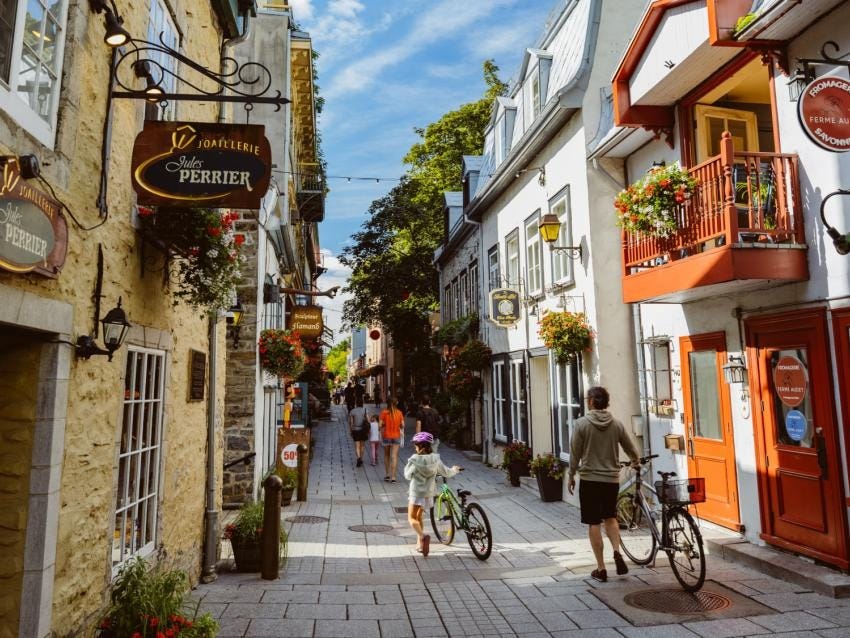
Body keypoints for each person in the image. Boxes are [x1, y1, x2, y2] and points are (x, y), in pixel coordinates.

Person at [568, 386, 640, 583]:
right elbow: (629, 446)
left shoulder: (581, 424)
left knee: (593, 522)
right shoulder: (616, 424)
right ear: (606, 402)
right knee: (610, 517)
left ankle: (601, 568)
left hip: (590, 480)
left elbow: (575, 452)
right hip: (611, 480)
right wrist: (635, 461)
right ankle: (617, 552)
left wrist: (571, 474)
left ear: (591, 401)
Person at [403, 431, 461, 556]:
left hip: (416, 492)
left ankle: (423, 536)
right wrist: (455, 470)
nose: (414, 446)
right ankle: (420, 544)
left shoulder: (414, 459)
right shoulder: (435, 459)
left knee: (411, 518)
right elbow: (446, 472)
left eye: (415, 444)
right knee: (419, 517)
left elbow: (407, 475)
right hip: (429, 493)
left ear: (419, 446)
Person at [380, 396, 404, 482]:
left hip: (386, 436)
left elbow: (380, 425)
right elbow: (402, 425)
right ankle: (393, 477)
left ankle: (387, 475)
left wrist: (383, 425)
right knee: (394, 456)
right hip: (396, 436)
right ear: (396, 403)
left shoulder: (384, 413)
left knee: (386, 455)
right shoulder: (399, 413)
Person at [348, 398, 369, 467]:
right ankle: (361, 459)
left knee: (357, 446)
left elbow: (351, 422)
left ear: (356, 403)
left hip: (355, 430)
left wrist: (351, 430)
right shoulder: (365, 410)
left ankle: (358, 458)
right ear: (362, 403)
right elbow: (368, 421)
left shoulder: (352, 411)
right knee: (362, 446)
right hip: (363, 430)